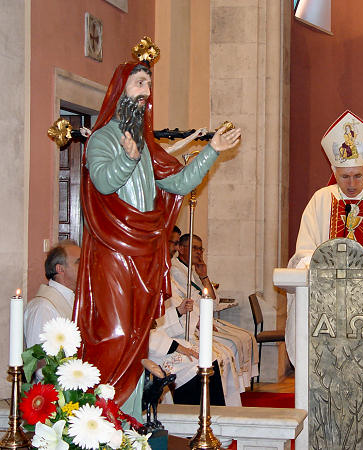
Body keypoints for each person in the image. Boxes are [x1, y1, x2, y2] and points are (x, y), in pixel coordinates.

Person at [72, 37, 242, 411]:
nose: (146, 92)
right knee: (117, 334)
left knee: (138, 335)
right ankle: (106, 415)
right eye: (139, 84)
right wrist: (127, 159)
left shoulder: (146, 146)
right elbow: (103, 181)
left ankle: (132, 417)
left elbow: (179, 182)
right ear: (120, 90)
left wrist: (212, 150)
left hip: (145, 252)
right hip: (115, 253)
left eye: (149, 85)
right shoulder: (102, 139)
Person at [286, 109, 363, 393]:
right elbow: (303, 253)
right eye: (345, 177)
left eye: (357, 176)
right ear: (334, 172)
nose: (352, 184)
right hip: (326, 299)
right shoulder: (320, 200)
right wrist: (319, 261)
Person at [170, 234, 258, 392]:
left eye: (200, 249)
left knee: (245, 337)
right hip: (190, 324)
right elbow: (196, 304)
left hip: (201, 318)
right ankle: (225, 391)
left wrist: (204, 276)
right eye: (194, 248)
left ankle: (234, 389)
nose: (199, 252)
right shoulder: (176, 271)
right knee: (230, 346)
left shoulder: (192, 271)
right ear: (181, 249)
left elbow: (213, 303)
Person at [25, 241, 81, 347]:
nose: (86, 267)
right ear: (60, 269)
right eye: (78, 262)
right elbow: (39, 353)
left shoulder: (74, 298)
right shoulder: (43, 307)